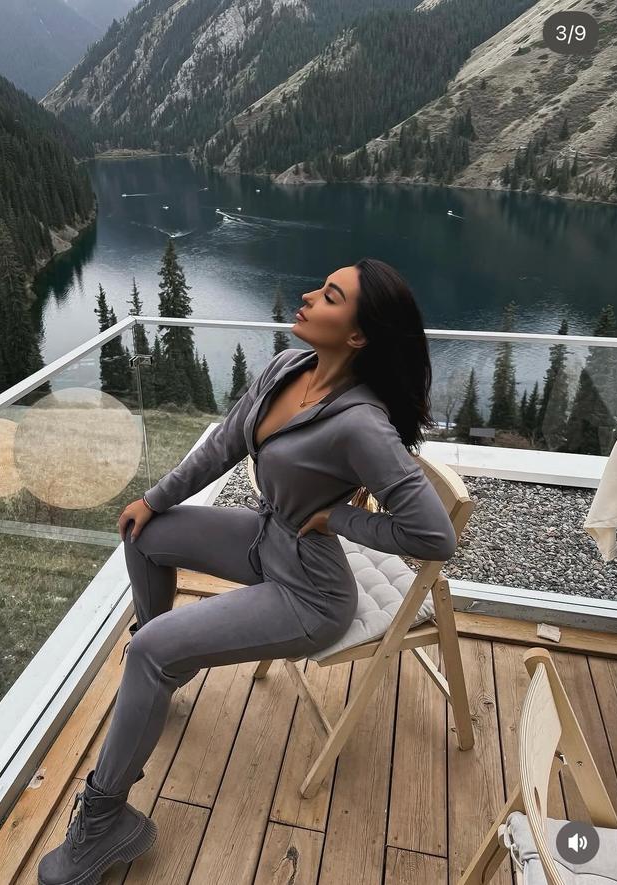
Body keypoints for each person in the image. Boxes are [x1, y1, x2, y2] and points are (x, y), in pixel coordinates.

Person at [38, 258, 458, 885]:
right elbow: (224, 443)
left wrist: (340, 518)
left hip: (311, 593)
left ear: (358, 335)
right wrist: (154, 498)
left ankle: (104, 823)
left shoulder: (362, 425)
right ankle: (162, 672)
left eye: (330, 296)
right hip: (267, 537)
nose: (308, 295)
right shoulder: (289, 367)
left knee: (151, 649)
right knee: (144, 536)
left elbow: (434, 535)